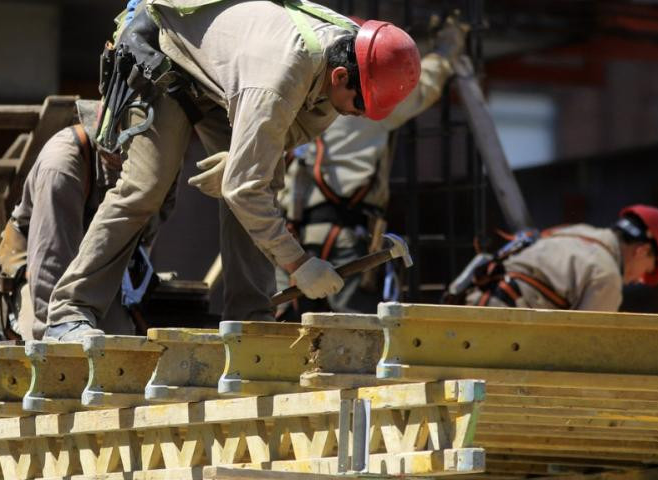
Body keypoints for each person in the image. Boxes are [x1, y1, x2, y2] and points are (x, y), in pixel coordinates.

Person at [45, 0, 421, 341]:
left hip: (227, 78)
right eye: (358, 105)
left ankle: (251, 323)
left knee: (263, 175)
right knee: (146, 187)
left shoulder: (347, 57)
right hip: (164, 53)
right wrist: (298, 263)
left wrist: (245, 157)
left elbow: (295, 129)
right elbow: (245, 189)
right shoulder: (282, 76)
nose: (356, 114)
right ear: (340, 77)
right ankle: (69, 313)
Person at [270, 15, 468, 318]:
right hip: (346, 233)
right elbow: (424, 86)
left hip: (292, 237)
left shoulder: (302, 94)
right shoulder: (369, 102)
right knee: (357, 325)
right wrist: (445, 49)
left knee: (286, 323)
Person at [0, 100, 173, 340]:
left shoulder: (160, 164)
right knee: (50, 350)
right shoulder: (61, 166)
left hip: (98, 273)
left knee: (120, 350)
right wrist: (52, 343)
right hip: (40, 276)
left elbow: (147, 230)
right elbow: (49, 266)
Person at [448, 205, 658, 312]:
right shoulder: (606, 276)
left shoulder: (576, 231)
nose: (639, 280)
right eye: (648, 270)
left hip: (473, 305)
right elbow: (583, 349)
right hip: (502, 327)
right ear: (642, 251)